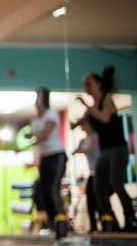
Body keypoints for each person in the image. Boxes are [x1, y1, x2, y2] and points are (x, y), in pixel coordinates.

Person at [75, 65, 135, 231]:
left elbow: (104, 118)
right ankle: (110, 220)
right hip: (105, 151)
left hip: (118, 149)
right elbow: (78, 124)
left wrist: (86, 106)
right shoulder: (91, 108)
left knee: (116, 184)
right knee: (98, 189)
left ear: (99, 84)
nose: (86, 86)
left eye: (89, 83)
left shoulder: (107, 101)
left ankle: (131, 219)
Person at [25, 87, 68, 229]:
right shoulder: (35, 119)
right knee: (43, 189)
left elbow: (45, 134)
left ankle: (61, 221)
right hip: (45, 157)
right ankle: (51, 222)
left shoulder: (52, 114)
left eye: (39, 97)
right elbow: (32, 134)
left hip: (57, 154)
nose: (36, 100)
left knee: (53, 189)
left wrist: (29, 142)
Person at [72, 120, 101, 232]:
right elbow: (77, 150)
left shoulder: (95, 136)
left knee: (99, 198)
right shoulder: (84, 140)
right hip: (92, 172)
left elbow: (88, 149)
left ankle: (106, 221)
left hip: (100, 172)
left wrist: (81, 150)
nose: (81, 128)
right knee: (89, 198)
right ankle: (93, 224)